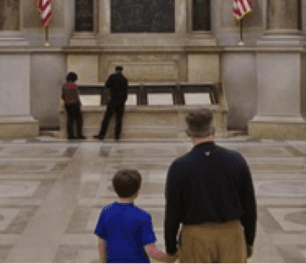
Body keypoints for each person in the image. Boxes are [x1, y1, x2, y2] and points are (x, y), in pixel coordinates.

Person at [164, 108, 256, 264]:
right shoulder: (236, 160)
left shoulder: (179, 166)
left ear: (188, 132)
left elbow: (172, 211)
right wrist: (249, 240)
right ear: (213, 130)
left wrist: (171, 247)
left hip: (195, 237)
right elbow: (249, 206)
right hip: (231, 235)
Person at [95, 169, 175, 264]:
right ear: (137, 192)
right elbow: (150, 250)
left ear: (115, 189)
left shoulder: (106, 212)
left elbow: (101, 242)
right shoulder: (143, 216)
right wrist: (169, 258)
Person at [95, 65, 129, 141]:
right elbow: (126, 91)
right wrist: (124, 100)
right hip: (121, 101)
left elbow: (107, 85)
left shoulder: (112, 77)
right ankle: (117, 136)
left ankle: (102, 134)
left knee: (107, 118)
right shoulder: (124, 79)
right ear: (122, 70)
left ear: (115, 70)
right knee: (119, 119)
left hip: (113, 100)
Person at [62, 72, 85, 140]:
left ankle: (70, 135)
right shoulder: (74, 85)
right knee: (79, 120)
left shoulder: (64, 85)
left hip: (67, 104)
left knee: (70, 120)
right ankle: (79, 134)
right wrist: (80, 103)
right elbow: (76, 95)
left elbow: (63, 96)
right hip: (75, 104)